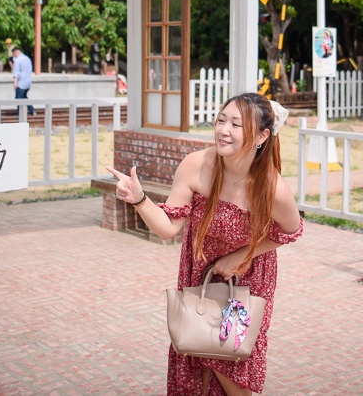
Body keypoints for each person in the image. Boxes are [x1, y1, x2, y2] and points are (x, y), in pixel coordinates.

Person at [108, 93, 301, 395]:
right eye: (221, 120)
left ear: (263, 135)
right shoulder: (196, 165)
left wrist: (243, 255)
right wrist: (139, 200)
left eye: (236, 124)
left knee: (232, 360)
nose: (224, 130)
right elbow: (168, 228)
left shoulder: (273, 187)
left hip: (247, 285)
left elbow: (291, 230)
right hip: (200, 275)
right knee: (197, 352)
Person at [10, 45, 35, 116]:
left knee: (19, 99)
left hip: (21, 83)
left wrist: (15, 83)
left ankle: (19, 113)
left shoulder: (17, 60)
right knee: (24, 97)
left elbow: (16, 72)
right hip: (28, 83)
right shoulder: (27, 59)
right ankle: (32, 111)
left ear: (15, 53)